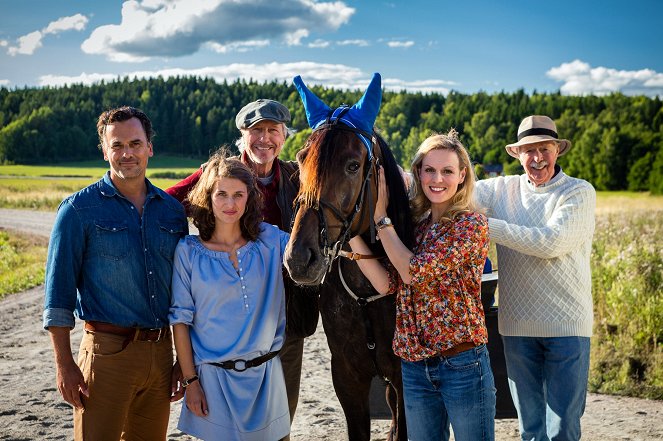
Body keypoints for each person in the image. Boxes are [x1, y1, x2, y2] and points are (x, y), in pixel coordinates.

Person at [166, 99, 319, 426]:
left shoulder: (297, 178)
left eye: (273, 131)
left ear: (284, 136)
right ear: (243, 135)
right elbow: (164, 205)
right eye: (256, 131)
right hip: (223, 325)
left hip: (284, 318)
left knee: (278, 422)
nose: (265, 139)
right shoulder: (218, 175)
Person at [43, 106, 188, 440]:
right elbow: (58, 296)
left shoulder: (171, 212)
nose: (127, 153)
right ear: (105, 150)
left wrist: (183, 359)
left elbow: (183, 292)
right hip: (107, 355)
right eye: (117, 145)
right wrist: (64, 365)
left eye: (135, 143)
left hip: (160, 353)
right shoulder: (78, 210)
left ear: (149, 147)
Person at [348, 130, 496, 441]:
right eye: (429, 169)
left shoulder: (470, 226)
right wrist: (349, 234)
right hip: (414, 369)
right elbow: (389, 283)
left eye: (447, 171)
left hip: (462, 365)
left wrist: (380, 219)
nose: (437, 178)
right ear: (418, 172)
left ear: (462, 175)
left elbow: (414, 272)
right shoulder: (413, 226)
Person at [474, 115, 596, 441]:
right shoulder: (502, 189)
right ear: (517, 154)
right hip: (516, 328)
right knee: (530, 429)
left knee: (564, 429)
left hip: (567, 329)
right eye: (528, 150)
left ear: (557, 150)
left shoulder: (578, 192)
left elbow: (550, 242)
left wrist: (483, 226)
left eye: (544, 148)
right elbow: (449, 190)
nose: (537, 157)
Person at [169, 151, 290, 440]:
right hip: (212, 383)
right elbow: (180, 322)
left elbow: (318, 247)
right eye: (221, 194)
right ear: (208, 196)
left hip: (266, 380)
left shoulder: (271, 240)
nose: (230, 203)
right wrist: (191, 382)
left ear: (250, 197)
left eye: (238, 194)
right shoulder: (188, 251)